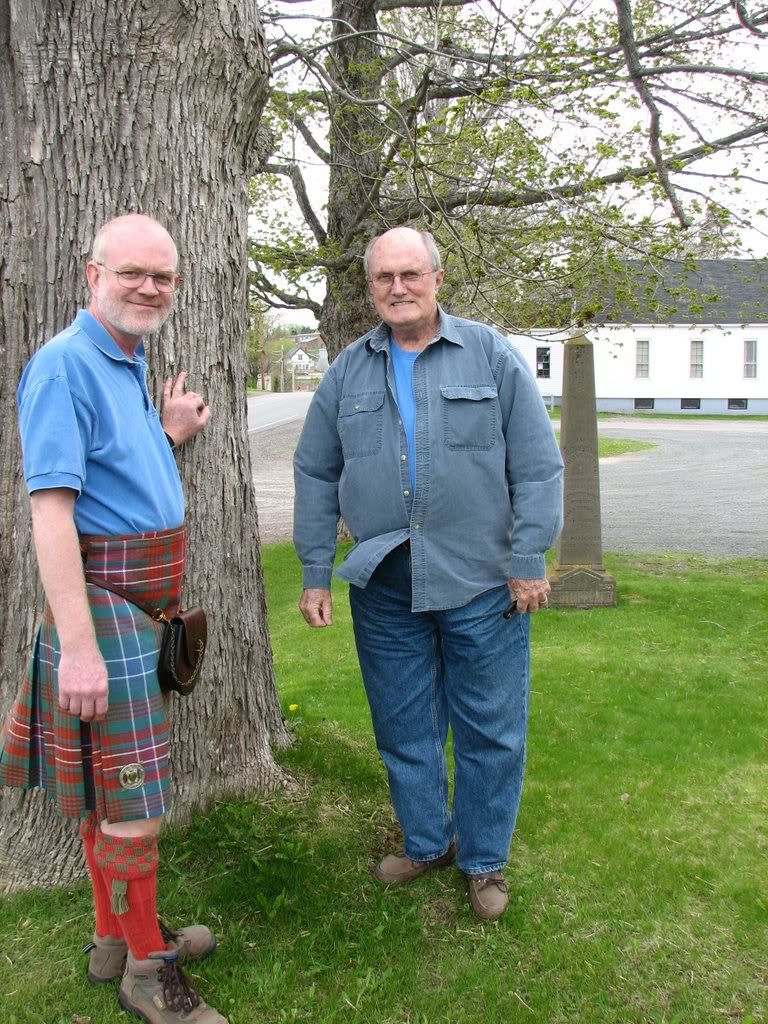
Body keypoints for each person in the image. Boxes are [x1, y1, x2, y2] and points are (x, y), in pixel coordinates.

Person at [294, 227, 563, 921]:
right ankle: (425, 841)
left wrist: (530, 557)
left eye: (411, 274)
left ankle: (483, 860)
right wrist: (317, 570)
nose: (398, 288)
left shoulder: (490, 355)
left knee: (491, 729)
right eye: (384, 277)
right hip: (385, 584)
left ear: (437, 278)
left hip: (483, 581)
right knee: (403, 725)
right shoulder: (348, 371)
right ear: (370, 286)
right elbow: (316, 471)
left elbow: (536, 464)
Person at [0, 214, 227, 1023]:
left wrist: (165, 437)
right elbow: (53, 514)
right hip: (105, 614)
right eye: (132, 272)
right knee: (135, 808)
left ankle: (113, 937)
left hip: (142, 609)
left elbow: (112, 476)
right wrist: (81, 652)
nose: (150, 288)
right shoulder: (64, 366)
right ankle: (146, 972)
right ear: (91, 273)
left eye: (163, 277)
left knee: (110, 793)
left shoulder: (126, 361)